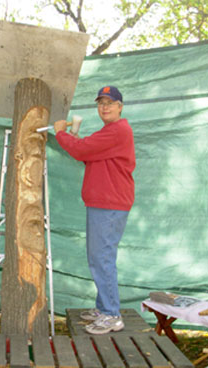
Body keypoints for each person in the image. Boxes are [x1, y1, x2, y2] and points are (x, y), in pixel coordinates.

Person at [54, 86, 136, 334]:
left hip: (109, 204)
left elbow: (81, 150)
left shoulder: (118, 130)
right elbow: (87, 154)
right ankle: (104, 308)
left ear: (120, 106)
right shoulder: (109, 131)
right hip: (103, 203)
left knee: (102, 258)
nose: (105, 107)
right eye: (101, 103)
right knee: (99, 257)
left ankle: (112, 315)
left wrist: (60, 133)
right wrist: (76, 140)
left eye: (110, 103)